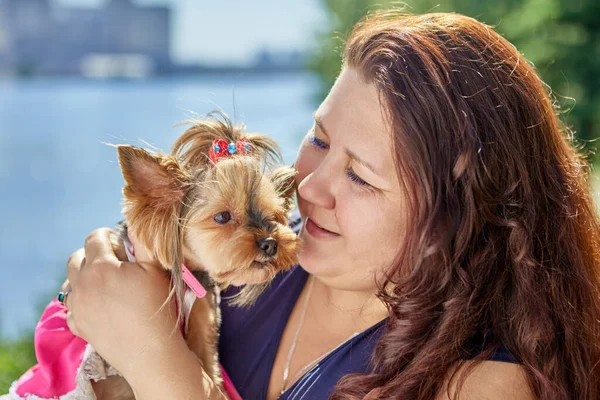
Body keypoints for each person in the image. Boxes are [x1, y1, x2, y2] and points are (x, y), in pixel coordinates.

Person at [62, 9, 600, 400]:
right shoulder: (256, 259)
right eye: (318, 139)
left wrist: (150, 351)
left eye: (361, 177)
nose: (308, 188)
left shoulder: (481, 384)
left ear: (457, 211)